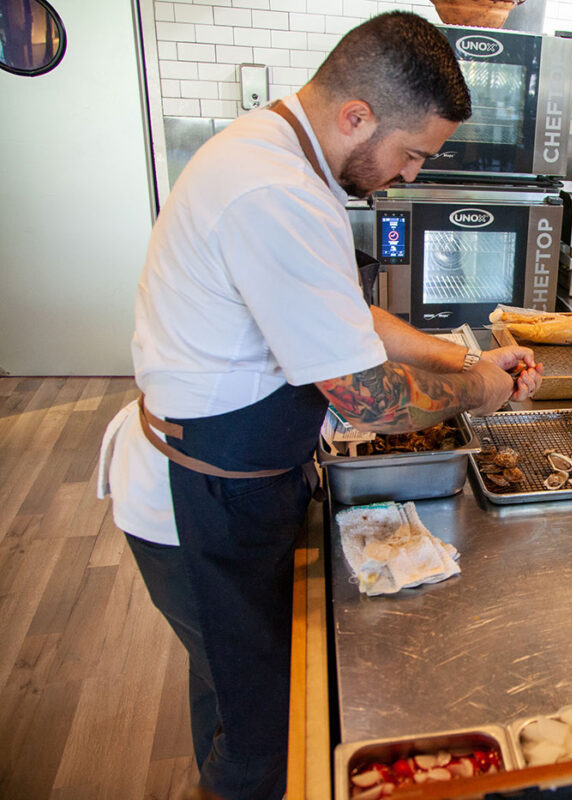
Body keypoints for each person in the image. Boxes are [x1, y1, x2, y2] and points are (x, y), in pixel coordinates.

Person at [97, 12, 543, 800]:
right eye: (411, 154)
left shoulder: (279, 156)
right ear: (356, 117)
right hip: (200, 500)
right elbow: (368, 400)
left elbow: (346, 314)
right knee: (267, 732)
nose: (408, 175)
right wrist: (478, 391)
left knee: (231, 692)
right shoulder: (275, 191)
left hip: (235, 480)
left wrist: (463, 356)